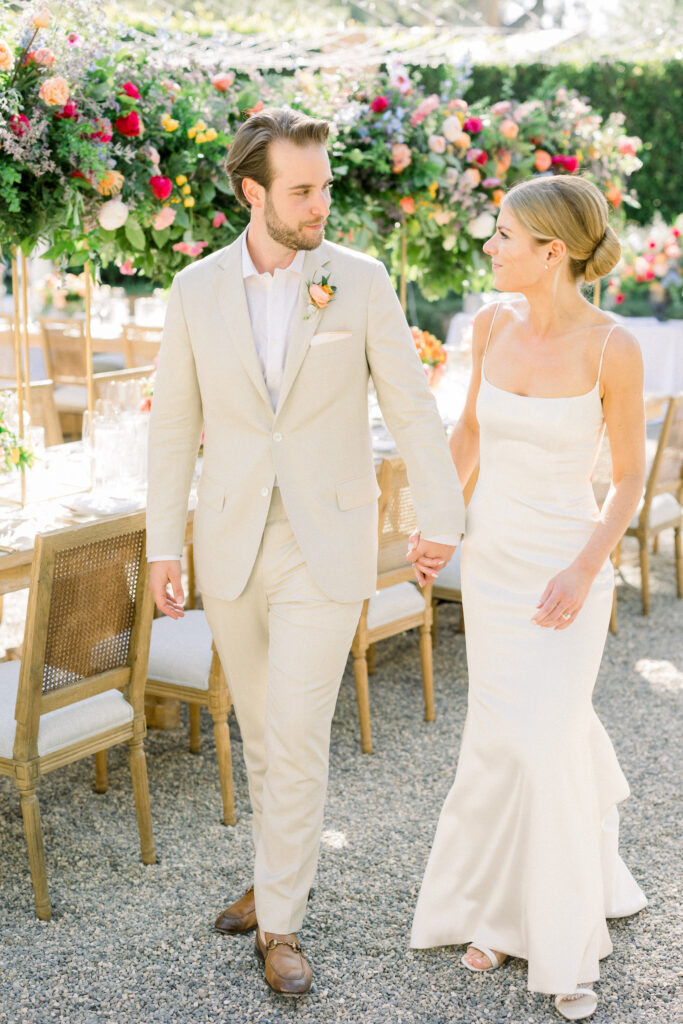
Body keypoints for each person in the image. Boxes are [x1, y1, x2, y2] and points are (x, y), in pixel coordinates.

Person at [146, 107, 465, 996]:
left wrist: (441, 514)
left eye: (324, 185)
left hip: (326, 541)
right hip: (232, 542)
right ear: (254, 193)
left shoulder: (359, 282)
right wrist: (163, 543)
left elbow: (408, 404)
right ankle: (277, 870)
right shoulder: (193, 290)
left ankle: (280, 924)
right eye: (303, 189)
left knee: (294, 731)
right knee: (259, 727)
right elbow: (173, 426)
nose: (321, 201)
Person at [409, 175, 647, 1020]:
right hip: (495, 562)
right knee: (503, 738)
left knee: (546, 738)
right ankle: (497, 912)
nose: (490, 246)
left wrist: (585, 568)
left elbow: (626, 479)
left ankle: (563, 940)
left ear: (551, 252)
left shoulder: (612, 347)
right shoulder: (489, 324)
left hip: (566, 568)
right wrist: (438, 519)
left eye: (503, 235)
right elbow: (469, 430)